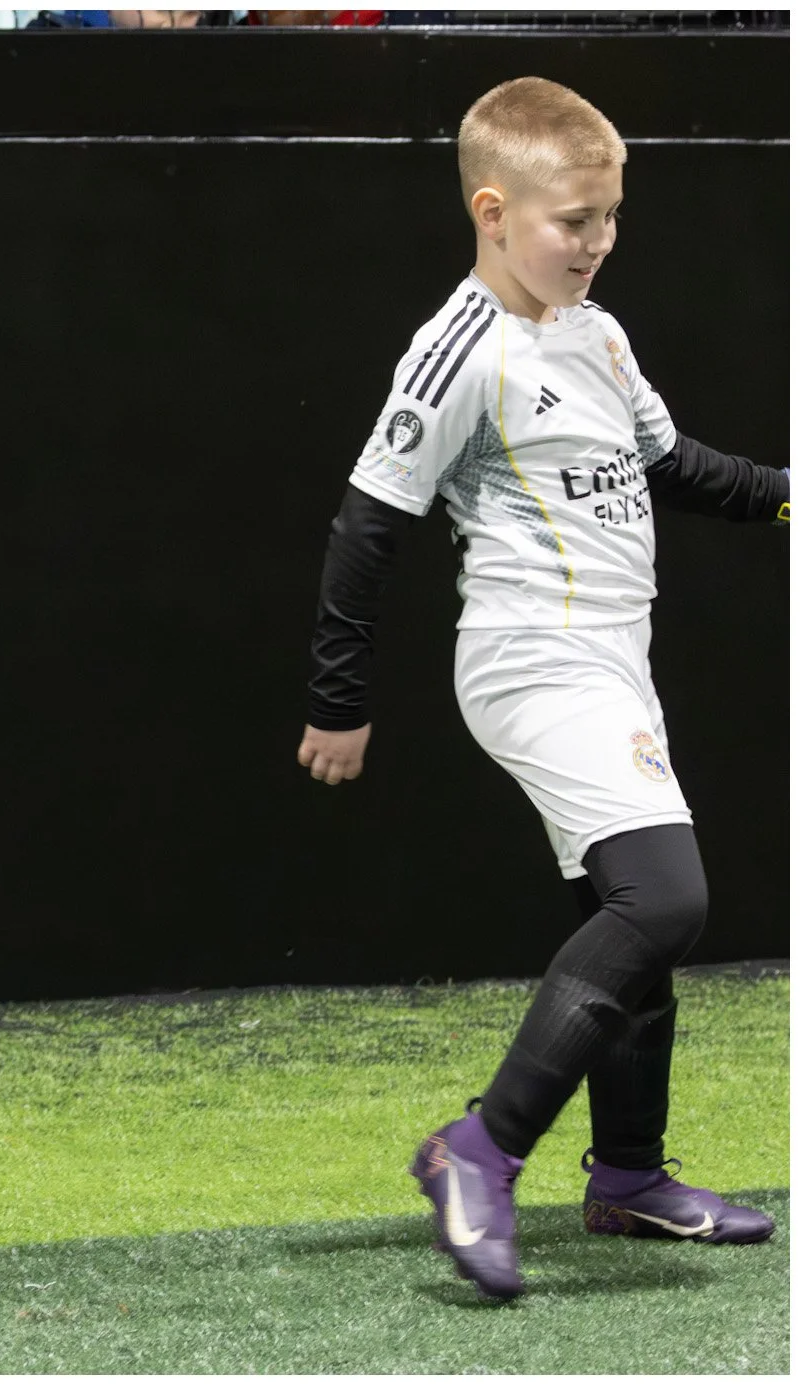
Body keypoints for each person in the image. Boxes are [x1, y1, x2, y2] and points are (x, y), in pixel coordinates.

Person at [296, 76, 784, 1301]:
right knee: (667, 896)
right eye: (574, 221)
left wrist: (786, 487)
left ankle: (624, 1175)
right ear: (493, 209)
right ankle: (481, 1143)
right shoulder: (459, 347)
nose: (598, 240)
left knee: (631, 926)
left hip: (613, 661)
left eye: (611, 216)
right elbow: (366, 527)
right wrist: (336, 699)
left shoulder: (598, 332)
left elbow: (672, 464)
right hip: (531, 658)